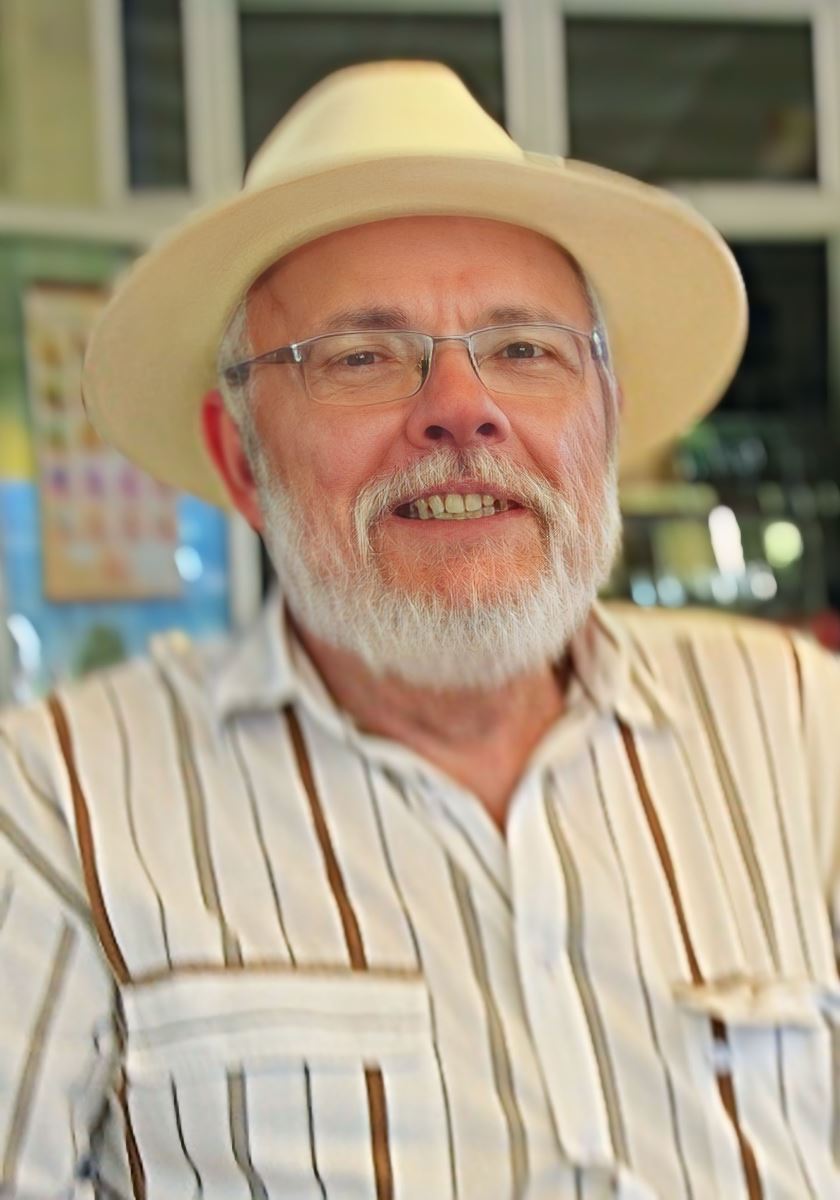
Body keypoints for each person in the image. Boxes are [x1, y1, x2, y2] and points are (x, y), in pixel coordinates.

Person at [1, 60, 838, 1200]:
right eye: (360, 358)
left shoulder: (800, 726)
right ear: (242, 459)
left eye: (525, 350)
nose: (460, 409)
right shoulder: (56, 812)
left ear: (606, 423)